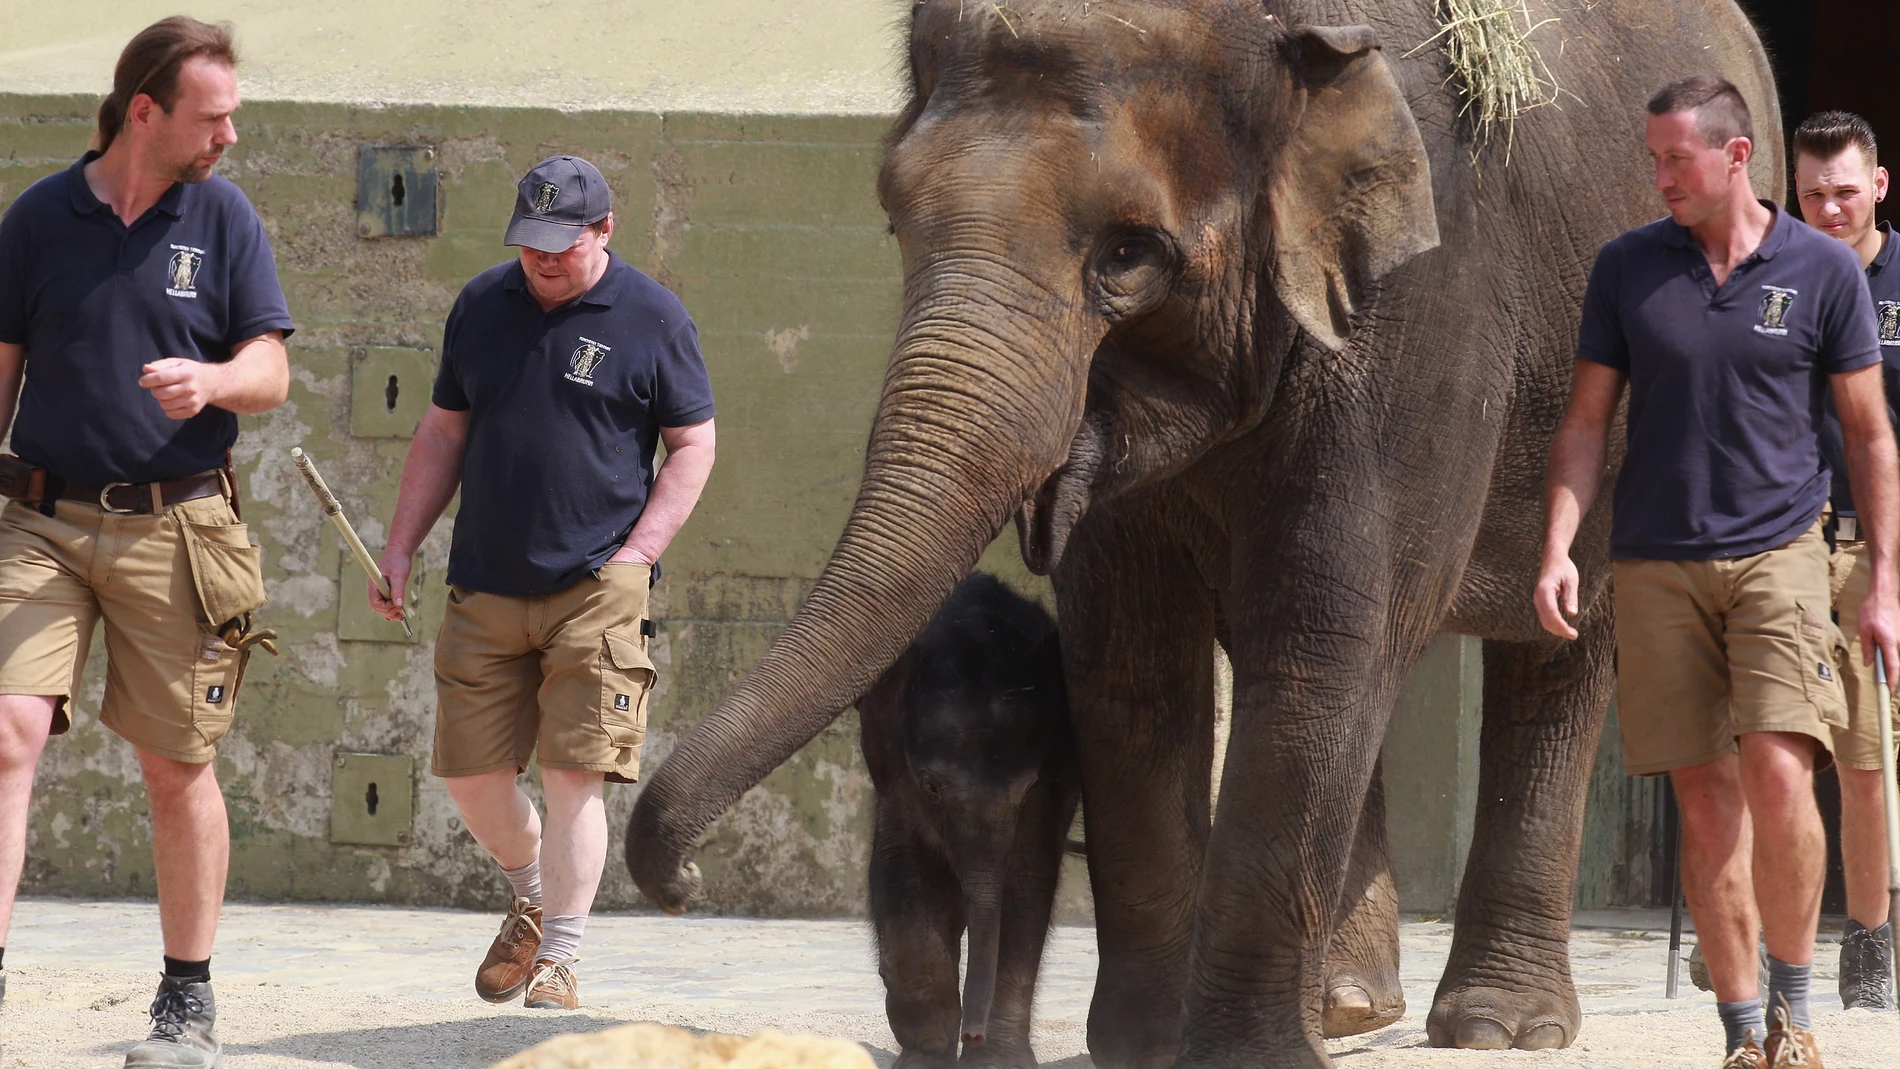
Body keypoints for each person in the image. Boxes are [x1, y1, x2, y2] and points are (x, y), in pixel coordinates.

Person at [1536, 76, 1898, 1069]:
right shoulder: (1625, 269)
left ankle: (1795, 1010)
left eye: (1674, 158)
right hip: (1654, 563)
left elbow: (1869, 437)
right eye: (1652, 159)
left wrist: (1882, 587)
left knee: (1784, 772)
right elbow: (1583, 424)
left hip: (1781, 551)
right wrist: (1559, 544)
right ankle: (1743, 1034)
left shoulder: (1821, 270)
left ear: (1737, 156)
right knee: (1706, 801)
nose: (1659, 177)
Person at [0, 17, 292, 1069]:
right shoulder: (39, 218)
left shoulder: (223, 219)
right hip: (40, 517)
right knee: (5, 732)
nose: (228, 137)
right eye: (213, 118)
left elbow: (270, 365)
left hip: (176, 526)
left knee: (174, 767)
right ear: (145, 112)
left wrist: (212, 380)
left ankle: (186, 998)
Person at [371, 155, 715, 1011]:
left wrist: (639, 553)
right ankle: (530, 892)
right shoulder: (482, 305)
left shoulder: (654, 319)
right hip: (485, 576)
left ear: (604, 231)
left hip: (597, 582)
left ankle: (560, 958)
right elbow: (443, 432)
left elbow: (694, 445)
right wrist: (402, 543)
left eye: (561, 244)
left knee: (573, 774)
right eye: (530, 244)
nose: (543, 260)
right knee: (471, 776)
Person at [1791, 108, 1900, 1011]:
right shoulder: (1769, 276)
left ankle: (1868, 942)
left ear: (1880, 187)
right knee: (1769, 747)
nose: (1829, 209)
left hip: (1877, 548)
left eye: (1845, 192)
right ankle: (1749, 931)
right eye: (1812, 194)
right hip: (1783, 543)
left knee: (1867, 761)